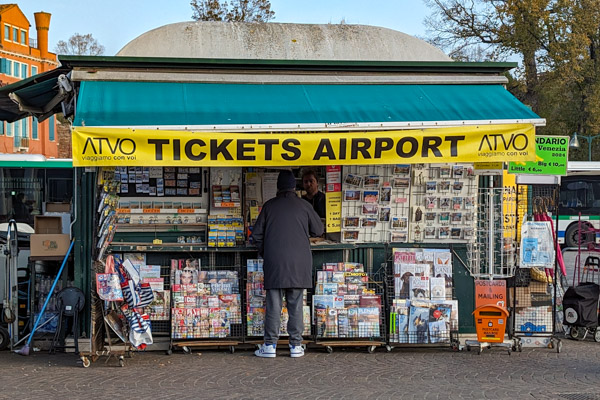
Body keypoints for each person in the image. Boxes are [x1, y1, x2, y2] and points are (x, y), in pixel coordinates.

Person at [251, 170, 323, 358]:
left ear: (278, 186)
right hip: (300, 263)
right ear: (294, 186)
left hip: (275, 262)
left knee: (274, 305)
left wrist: (266, 251)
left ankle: (270, 346)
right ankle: (295, 346)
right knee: (296, 305)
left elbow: (256, 235)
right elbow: (318, 229)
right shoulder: (304, 205)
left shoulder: (269, 206)